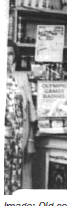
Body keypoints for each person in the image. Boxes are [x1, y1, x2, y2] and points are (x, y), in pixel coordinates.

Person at [5, 39, 36, 194]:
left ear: (15, 56)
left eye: (10, 54)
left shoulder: (22, 77)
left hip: (18, 139)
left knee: (17, 181)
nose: (7, 58)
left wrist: (30, 141)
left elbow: (29, 109)